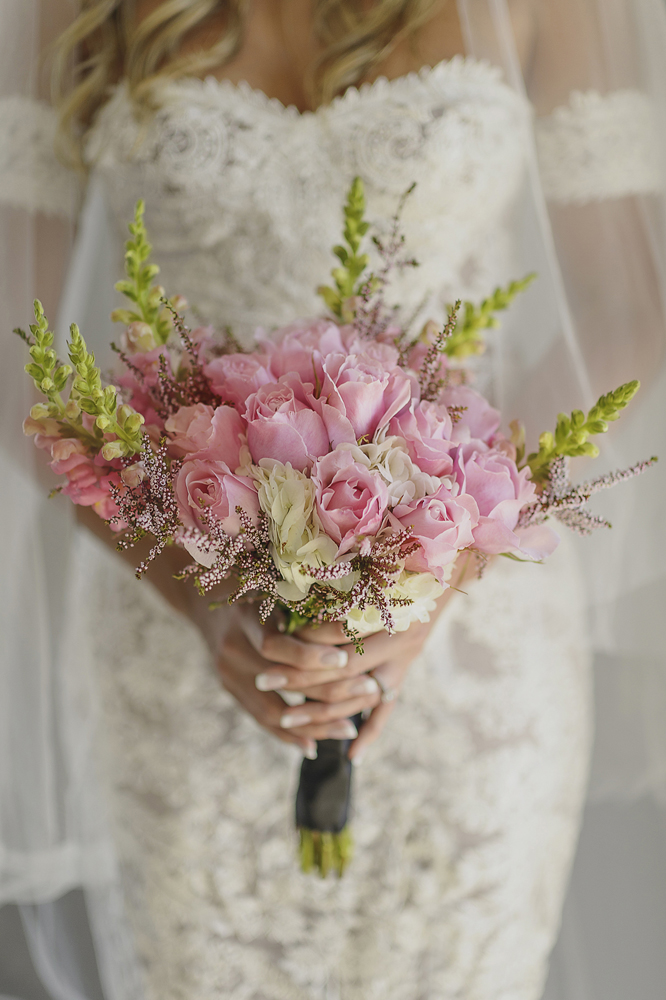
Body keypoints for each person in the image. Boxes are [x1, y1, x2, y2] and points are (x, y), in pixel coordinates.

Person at [1, 2, 666, 998]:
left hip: (470, 643)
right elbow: (17, 344)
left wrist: (444, 556)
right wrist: (200, 592)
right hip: (186, 649)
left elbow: (624, 302)